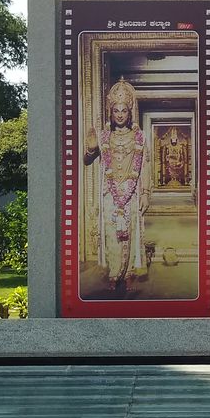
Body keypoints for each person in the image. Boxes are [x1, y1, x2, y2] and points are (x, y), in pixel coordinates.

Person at [84, 79, 147, 297]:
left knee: (129, 234)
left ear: (130, 112)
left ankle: (128, 274)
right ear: (111, 112)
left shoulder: (139, 136)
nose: (120, 115)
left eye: (124, 110)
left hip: (131, 192)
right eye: (116, 110)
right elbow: (86, 160)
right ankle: (113, 274)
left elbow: (144, 166)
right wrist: (91, 150)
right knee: (112, 233)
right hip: (109, 193)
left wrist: (145, 193)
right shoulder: (103, 136)